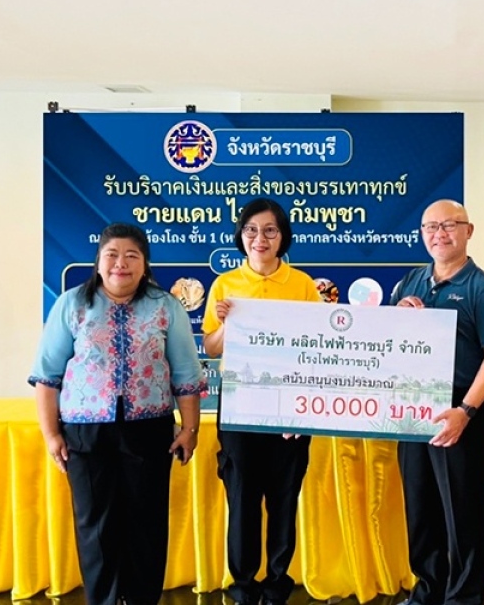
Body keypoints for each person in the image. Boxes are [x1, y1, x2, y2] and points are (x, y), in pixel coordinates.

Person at [30, 222, 206, 605]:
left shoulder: (165, 307)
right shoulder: (72, 305)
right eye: (111, 255)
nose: (120, 264)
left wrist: (190, 428)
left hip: (149, 429)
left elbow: (186, 373)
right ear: (98, 262)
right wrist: (51, 434)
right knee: (95, 526)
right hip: (85, 432)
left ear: (145, 264)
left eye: (131, 256)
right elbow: (47, 375)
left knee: (146, 523)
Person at [201, 197, 321, 605]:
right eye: (251, 230)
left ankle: (277, 584)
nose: (260, 238)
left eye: (270, 230)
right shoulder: (225, 284)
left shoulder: (302, 284)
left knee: (284, 496)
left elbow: (318, 347)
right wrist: (226, 324)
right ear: (241, 235)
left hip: (290, 405)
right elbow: (212, 348)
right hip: (240, 403)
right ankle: (242, 586)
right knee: (242, 496)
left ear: (283, 236)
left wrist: (302, 407)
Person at [391, 199, 484, 605]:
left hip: (462, 408)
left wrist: (467, 411)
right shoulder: (411, 281)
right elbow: (387, 342)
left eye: (449, 225)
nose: (439, 234)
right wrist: (398, 316)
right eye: (430, 227)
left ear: (468, 231)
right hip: (413, 407)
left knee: (463, 509)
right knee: (420, 505)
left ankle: (463, 597)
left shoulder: (481, 288)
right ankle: (427, 591)